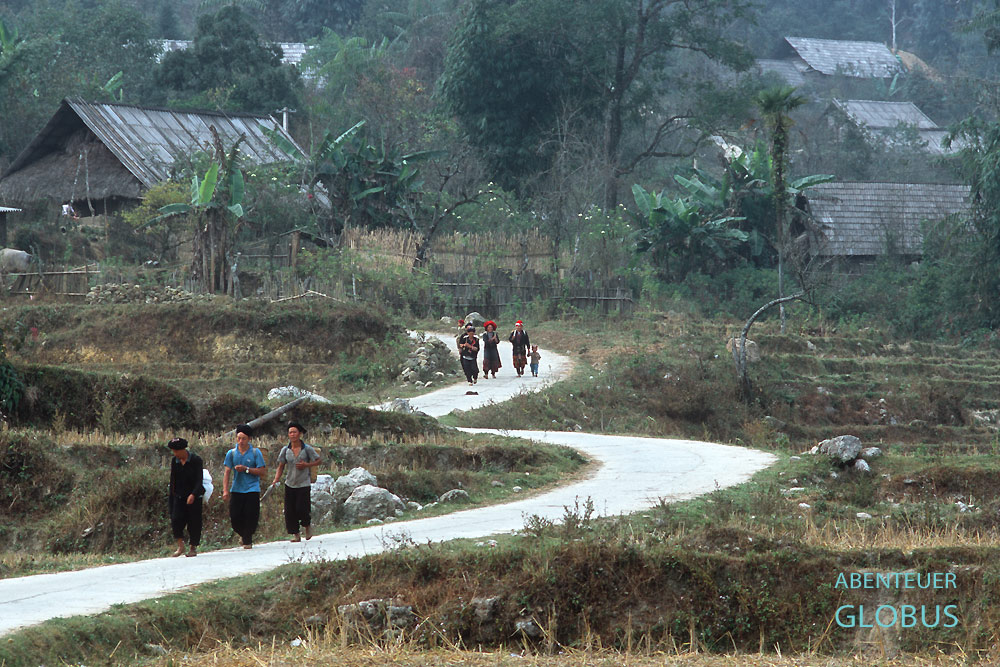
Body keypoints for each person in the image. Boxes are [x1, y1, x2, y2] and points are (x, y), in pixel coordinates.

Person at [269, 421, 321, 542]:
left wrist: (307, 465)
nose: (292, 434)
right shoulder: (285, 450)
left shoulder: (307, 449)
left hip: (303, 484)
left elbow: (318, 461)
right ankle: (296, 535)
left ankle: (307, 526)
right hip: (290, 483)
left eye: (294, 432)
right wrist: (276, 479)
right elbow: (281, 466)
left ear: (300, 434)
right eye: (290, 432)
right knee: (289, 511)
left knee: (302, 508)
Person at [222, 424, 266, 549]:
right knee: (235, 517)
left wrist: (246, 469)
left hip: (252, 489)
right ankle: (243, 535)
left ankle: (247, 540)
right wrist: (225, 490)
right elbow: (227, 472)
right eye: (239, 438)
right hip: (237, 489)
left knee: (251, 515)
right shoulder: (231, 453)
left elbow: (262, 471)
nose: (241, 441)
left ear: (249, 439)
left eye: (244, 438)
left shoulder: (255, 453)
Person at [168, 437, 204, 557]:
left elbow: (199, 480)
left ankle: (193, 547)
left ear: (183, 450)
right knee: (176, 519)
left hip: (194, 495)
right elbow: (173, 480)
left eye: (177, 451)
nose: (175, 454)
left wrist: (193, 494)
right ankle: (180, 546)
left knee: (194, 522)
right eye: (173, 451)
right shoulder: (175, 461)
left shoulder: (196, 460)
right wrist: (172, 496)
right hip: (179, 495)